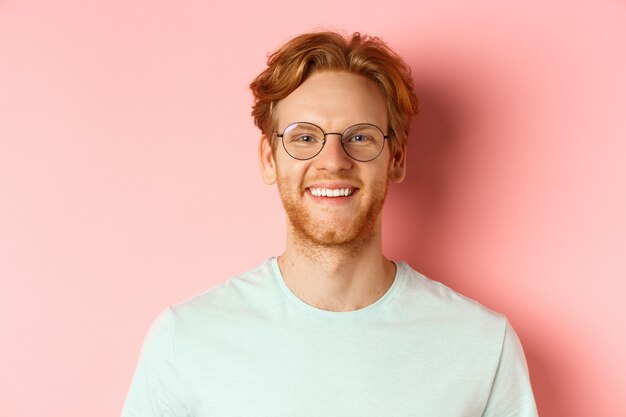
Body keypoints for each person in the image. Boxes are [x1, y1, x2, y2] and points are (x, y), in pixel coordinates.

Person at [121, 31, 538, 417]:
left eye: (360, 136)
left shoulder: (481, 345)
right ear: (270, 159)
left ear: (396, 159)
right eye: (304, 137)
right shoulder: (187, 339)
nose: (333, 161)